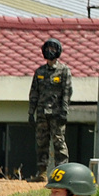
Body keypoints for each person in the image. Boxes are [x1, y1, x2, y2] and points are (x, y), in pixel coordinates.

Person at [28, 38, 73, 181]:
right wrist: (31, 112)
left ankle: (62, 173)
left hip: (56, 113)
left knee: (59, 142)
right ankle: (41, 173)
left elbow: (67, 92)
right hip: (42, 113)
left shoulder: (64, 71)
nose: (50, 52)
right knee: (41, 143)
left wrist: (64, 111)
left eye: (53, 49)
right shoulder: (39, 71)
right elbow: (34, 93)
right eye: (48, 49)